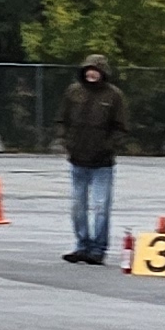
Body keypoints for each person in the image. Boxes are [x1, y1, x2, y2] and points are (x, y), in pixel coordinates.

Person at [56, 54, 127, 263]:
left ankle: (98, 249)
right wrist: (66, 141)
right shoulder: (73, 92)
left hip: (102, 163)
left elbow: (121, 128)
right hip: (77, 159)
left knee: (101, 207)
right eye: (88, 69)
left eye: (96, 69)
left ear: (103, 72)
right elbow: (62, 119)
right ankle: (82, 245)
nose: (91, 73)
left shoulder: (114, 96)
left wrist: (108, 147)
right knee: (78, 207)